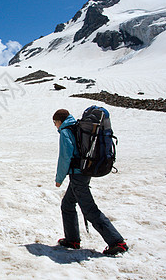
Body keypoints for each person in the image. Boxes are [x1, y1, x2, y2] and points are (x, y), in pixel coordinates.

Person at [52, 109, 128, 255]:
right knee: (67, 204)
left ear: (59, 121)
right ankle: (72, 239)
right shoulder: (77, 127)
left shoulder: (66, 131)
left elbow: (65, 157)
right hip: (84, 172)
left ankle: (117, 242)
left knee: (89, 209)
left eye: (55, 122)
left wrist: (59, 179)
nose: (55, 125)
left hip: (78, 176)